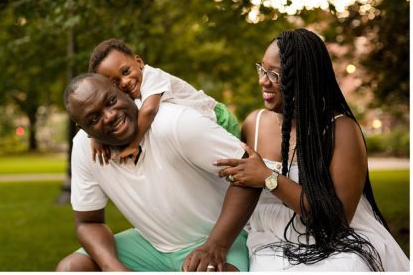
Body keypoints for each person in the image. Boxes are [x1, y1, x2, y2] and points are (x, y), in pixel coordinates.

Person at [216, 29, 408, 272]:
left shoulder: (341, 130)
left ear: (304, 80)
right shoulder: (253, 124)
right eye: (262, 69)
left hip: (337, 243)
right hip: (270, 241)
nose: (263, 81)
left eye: (275, 75)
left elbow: (337, 221)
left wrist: (269, 178)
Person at [60, 72, 259, 272]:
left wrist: (216, 245)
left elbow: (249, 171)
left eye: (111, 101)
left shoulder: (174, 123)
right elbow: (88, 222)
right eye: (94, 119)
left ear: (122, 90)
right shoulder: (84, 149)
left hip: (224, 237)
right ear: (84, 130)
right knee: (71, 268)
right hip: (154, 247)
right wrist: (113, 268)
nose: (110, 115)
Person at [88, 37, 240, 165]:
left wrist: (134, 144)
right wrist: (96, 136)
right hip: (197, 128)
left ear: (139, 62)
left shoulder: (152, 76)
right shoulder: (128, 95)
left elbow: (149, 110)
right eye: (115, 83)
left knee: (236, 163)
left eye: (126, 71)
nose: (125, 81)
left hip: (218, 118)